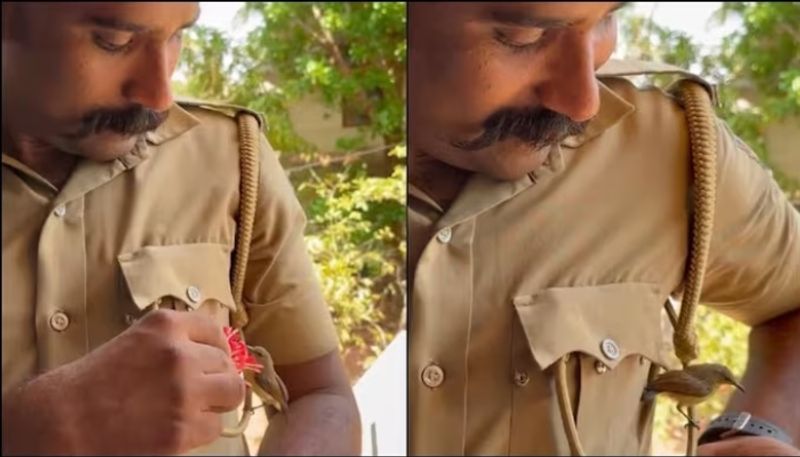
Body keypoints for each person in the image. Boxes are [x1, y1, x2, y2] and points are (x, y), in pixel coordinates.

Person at [408, 2, 800, 455]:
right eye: (521, 37)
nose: (585, 102)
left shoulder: (672, 152)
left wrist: (754, 433)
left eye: (606, 20)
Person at [1, 3, 360, 455]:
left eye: (176, 36)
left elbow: (319, 396)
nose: (159, 95)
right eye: (115, 42)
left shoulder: (231, 158)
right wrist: (34, 429)